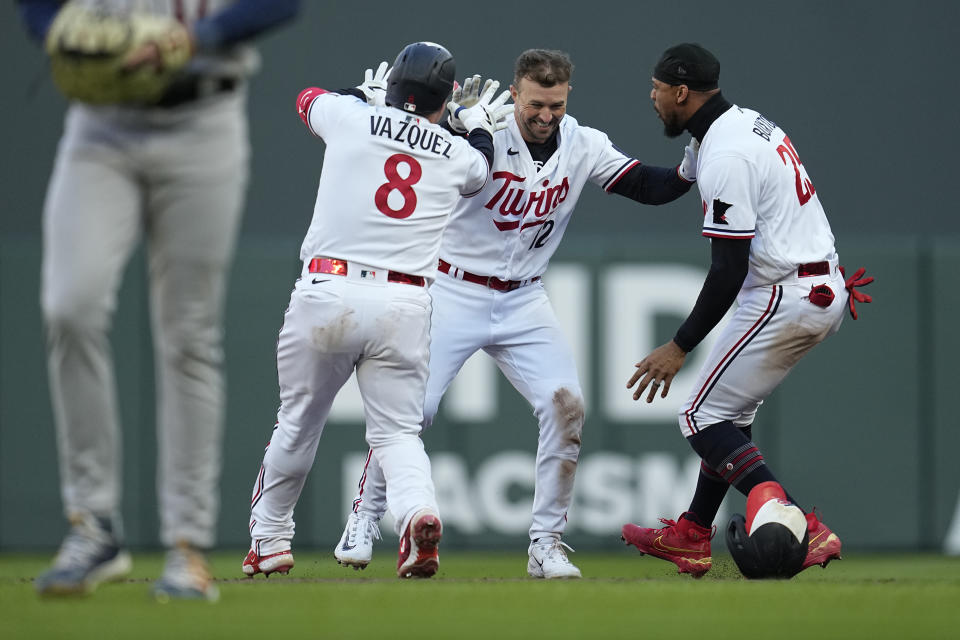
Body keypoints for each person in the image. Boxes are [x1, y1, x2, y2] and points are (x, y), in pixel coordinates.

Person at [333, 49, 700, 579]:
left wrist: (690, 167)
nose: (545, 115)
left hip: (524, 297)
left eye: (555, 104)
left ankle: (545, 544)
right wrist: (452, 123)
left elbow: (647, 185)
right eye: (534, 103)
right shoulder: (485, 130)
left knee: (566, 406)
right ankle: (366, 517)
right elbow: (418, 156)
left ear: (567, 96)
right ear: (517, 92)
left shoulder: (582, 143)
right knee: (413, 411)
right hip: (452, 288)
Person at [20, 0, 301, 600]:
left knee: (189, 335)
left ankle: (186, 546)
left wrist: (199, 36)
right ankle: (92, 523)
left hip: (203, 116)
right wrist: (56, 32)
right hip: (100, 123)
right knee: (69, 305)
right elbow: (38, 10)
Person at [240, 42, 511, 580]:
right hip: (402, 302)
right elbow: (480, 170)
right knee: (396, 435)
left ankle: (270, 539)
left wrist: (360, 95)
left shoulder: (350, 116)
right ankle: (418, 513)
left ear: (391, 88)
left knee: (297, 422)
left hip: (328, 289)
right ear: (446, 98)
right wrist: (473, 123)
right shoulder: (456, 150)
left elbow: (306, 99)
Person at [621, 43, 873, 577]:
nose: (653, 95)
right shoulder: (735, 126)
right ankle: (692, 533)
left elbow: (728, 270)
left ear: (682, 92)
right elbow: (665, 185)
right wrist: (592, 164)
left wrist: (679, 345)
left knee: (698, 415)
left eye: (658, 87)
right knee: (728, 417)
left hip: (785, 291)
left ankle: (800, 524)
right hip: (812, 283)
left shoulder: (728, 155)